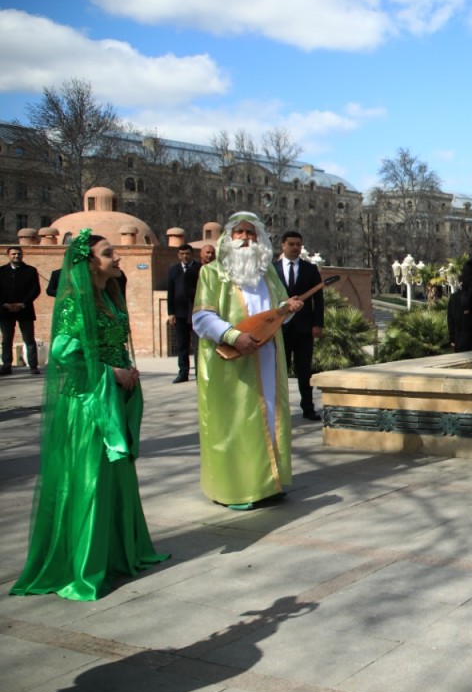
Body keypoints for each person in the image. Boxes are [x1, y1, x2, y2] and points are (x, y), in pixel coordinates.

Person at [10, 231, 168, 600]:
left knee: (115, 478)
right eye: (109, 253)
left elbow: (113, 345)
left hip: (115, 397)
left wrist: (128, 371)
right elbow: (65, 353)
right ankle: (85, 564)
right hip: (87, 405)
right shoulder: (72, 302)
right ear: (90, 262)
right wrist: (113, 373)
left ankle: (115, 554)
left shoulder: (110, 298)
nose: (117, 259)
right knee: (90, 480)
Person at [193, 213, 303, 509]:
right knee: (237, 425)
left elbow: (276, 314)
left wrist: (289, 307)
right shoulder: (213, 273)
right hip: (230, 365)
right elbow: (202, 317)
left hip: (267, 361)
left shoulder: (267, 273)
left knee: (270, 419)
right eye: (239, 232)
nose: (245, 238)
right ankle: (239, 490)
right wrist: (231, 336)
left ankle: (270, 484)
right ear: (229, 238)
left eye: (251, 233)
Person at [274, 231, 325, 421]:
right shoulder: (273, 270)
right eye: (291, 244)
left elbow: (318, 300)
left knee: (304, 370)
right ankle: (280, 409)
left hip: (304, 328)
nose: (295, 248)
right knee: (280, 370)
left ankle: (308, 407)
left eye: (298, 245)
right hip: (280, 328)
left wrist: (318, 324)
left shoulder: (310, 269)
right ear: (283, 245)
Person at [1, 245, 41, 375]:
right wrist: (4, 304)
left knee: (29, 339)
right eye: (13, 254)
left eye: (18, 254)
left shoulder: (30, 271)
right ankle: (6, 365)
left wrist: (22, 304)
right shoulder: (1, 271)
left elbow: (35, 290)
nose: (16, 256)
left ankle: (33, 366)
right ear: (8, 255)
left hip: (25, 310)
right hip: (5, 311)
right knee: (7, 340)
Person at [166, 243, 202, 383]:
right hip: (180, 313)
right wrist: (171, 313)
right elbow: (171, 292)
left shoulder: (199, 268)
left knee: (198, 345)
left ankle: (200, 372)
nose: (185, 256)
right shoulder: (174, 270)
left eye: (187, 253)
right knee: (182, 344)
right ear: (178, 255)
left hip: (195, 312)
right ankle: (183, 372)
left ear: (192, 254)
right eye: (182, 254)